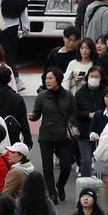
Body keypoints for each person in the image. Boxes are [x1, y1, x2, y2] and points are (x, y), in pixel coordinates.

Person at [29, 68, 77, 203]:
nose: (47, 81)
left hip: (63, 135)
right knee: (47, 167)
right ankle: (52, 192)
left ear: (58, 79)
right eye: (46, 79)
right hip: (46, 136)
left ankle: (60, 185)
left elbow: (74, 113)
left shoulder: (68, 96)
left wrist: (70, 124)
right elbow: (37, 114)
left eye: (50, 78)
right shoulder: (42, 96)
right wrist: (33, 117)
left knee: (66, 166)